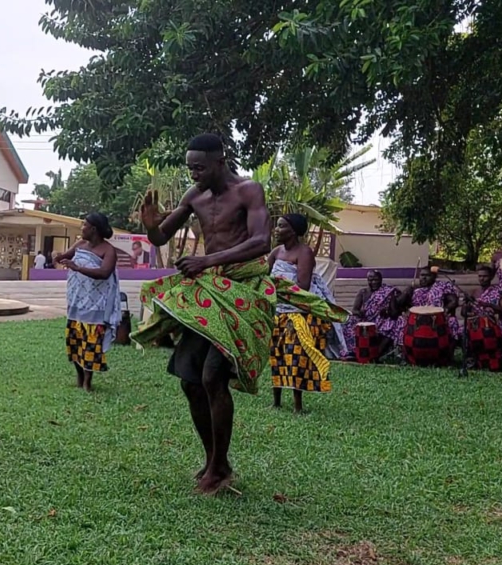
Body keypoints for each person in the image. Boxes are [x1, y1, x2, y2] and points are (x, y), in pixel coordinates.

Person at [129, 134, 340, 495]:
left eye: (199, 166)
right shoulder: (193, 197)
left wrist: (206, 260)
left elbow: (260, 242)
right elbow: (161, 237)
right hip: (208, 290)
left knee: (213, 376)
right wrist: (150, 225)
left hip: (244, 290)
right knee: (189, 380)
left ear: (219, 161)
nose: (193, 173)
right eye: (190, 167)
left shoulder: (249, 191)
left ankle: (218, 468)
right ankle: (216, 462)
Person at [267, 214, 350, 413]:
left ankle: (298, 405)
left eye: (281, 226)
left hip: (298, 313)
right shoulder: (276, 252)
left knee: (296, 357)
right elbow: (264, 277)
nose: (276, 230)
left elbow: (302, 286)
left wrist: (276, 287)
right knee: (277, 355)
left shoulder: (304, 253)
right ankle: (276, 401)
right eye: (277, 226)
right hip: (277, 311)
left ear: (294, 231)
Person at [55, 212, 121, 392]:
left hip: (96, 305)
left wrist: (77, 267)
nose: (81, 227)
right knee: (75, 343)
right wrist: (58, 256)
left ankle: (87, 382)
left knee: (91, 346)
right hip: (77, 301)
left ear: (93, 229)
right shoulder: (80, 244)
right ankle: (79, 377)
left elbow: (104, 273)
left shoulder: (108, 250)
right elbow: (65, 256)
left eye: (84, 224)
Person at [341, 270, 403, 359]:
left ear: (381, 280)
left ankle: (377, 354)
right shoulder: (363, 292)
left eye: (376, 280)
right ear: (367, 280)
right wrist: (360, 313)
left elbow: (394, 313)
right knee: (349, 322)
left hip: (381, 320)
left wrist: (386, 311)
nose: (373, 282)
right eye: (370, 280)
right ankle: (353, 352)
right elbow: (355, 310)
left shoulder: (388, 292)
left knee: (393, 324)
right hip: (365, 319)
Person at [398, 266, 463, 342]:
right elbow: (399, 304)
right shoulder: (414, 290)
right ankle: (406, 350)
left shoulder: (441, 287)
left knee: (451, 321)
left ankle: (447, 350)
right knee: (401, 320)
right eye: (422, 275)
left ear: (434, 277)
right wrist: (405, 293)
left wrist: (444, 311)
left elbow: (453, 301)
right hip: (418, 319)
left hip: (437, 318)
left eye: (427, 275)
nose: (424, 278)